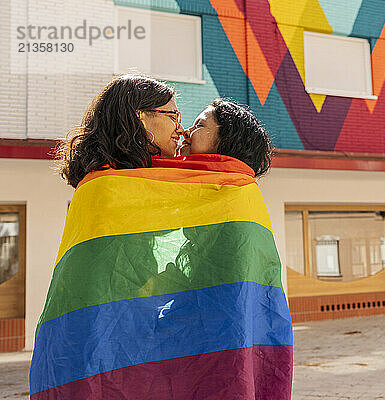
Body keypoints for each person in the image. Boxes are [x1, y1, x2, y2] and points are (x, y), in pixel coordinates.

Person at [30, 76, 293, 400]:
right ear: (141, 117)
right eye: (173, 117)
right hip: (103, 335)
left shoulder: (211, 190)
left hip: (189, 335)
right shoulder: (113, 187)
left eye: (192, 123)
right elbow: (113, 283)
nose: (181, 130)